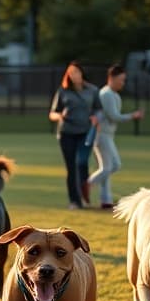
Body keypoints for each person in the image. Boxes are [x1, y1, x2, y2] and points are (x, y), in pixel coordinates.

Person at [87, 64, 143, 209]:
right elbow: (114, 116)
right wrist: (133, 115)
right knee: (113, 165)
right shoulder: (106, 94)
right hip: (101, 135)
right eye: (121, 79)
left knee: (106, 167)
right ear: (111, 78)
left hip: (107, 135)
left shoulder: (114, 94)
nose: (122, 83)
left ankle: (106, 200)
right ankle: (88, 184)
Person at [48, 61, 100, 209]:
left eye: (76, 72)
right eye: (71, 73)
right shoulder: (63, 91)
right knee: (71, 167)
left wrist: (96, 117)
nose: (74, 75)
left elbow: (99, 109)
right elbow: (52, 114)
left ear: (82, 73)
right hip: (67, 133)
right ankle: (75, 201)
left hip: (85, 133)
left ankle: (84, 194)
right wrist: (60, 116)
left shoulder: (92, 90)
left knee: (82, 163)